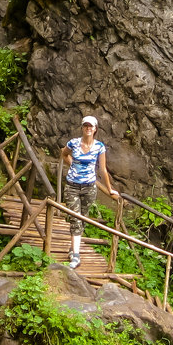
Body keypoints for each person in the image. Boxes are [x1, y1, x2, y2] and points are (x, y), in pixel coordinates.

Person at [60, 114, 120, 269]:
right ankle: (76, 257)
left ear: (95, 129)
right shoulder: (73, 143)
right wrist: (71, 164)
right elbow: (64, 154)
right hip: (72, 186)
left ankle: (73, 249)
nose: (88, 128)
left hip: (89, 187)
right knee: (75, 218)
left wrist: (109, 189)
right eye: (85, 125)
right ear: (82, 127)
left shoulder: (99, 147)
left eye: (91, 126)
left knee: (83, 218)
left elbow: (103, 169)